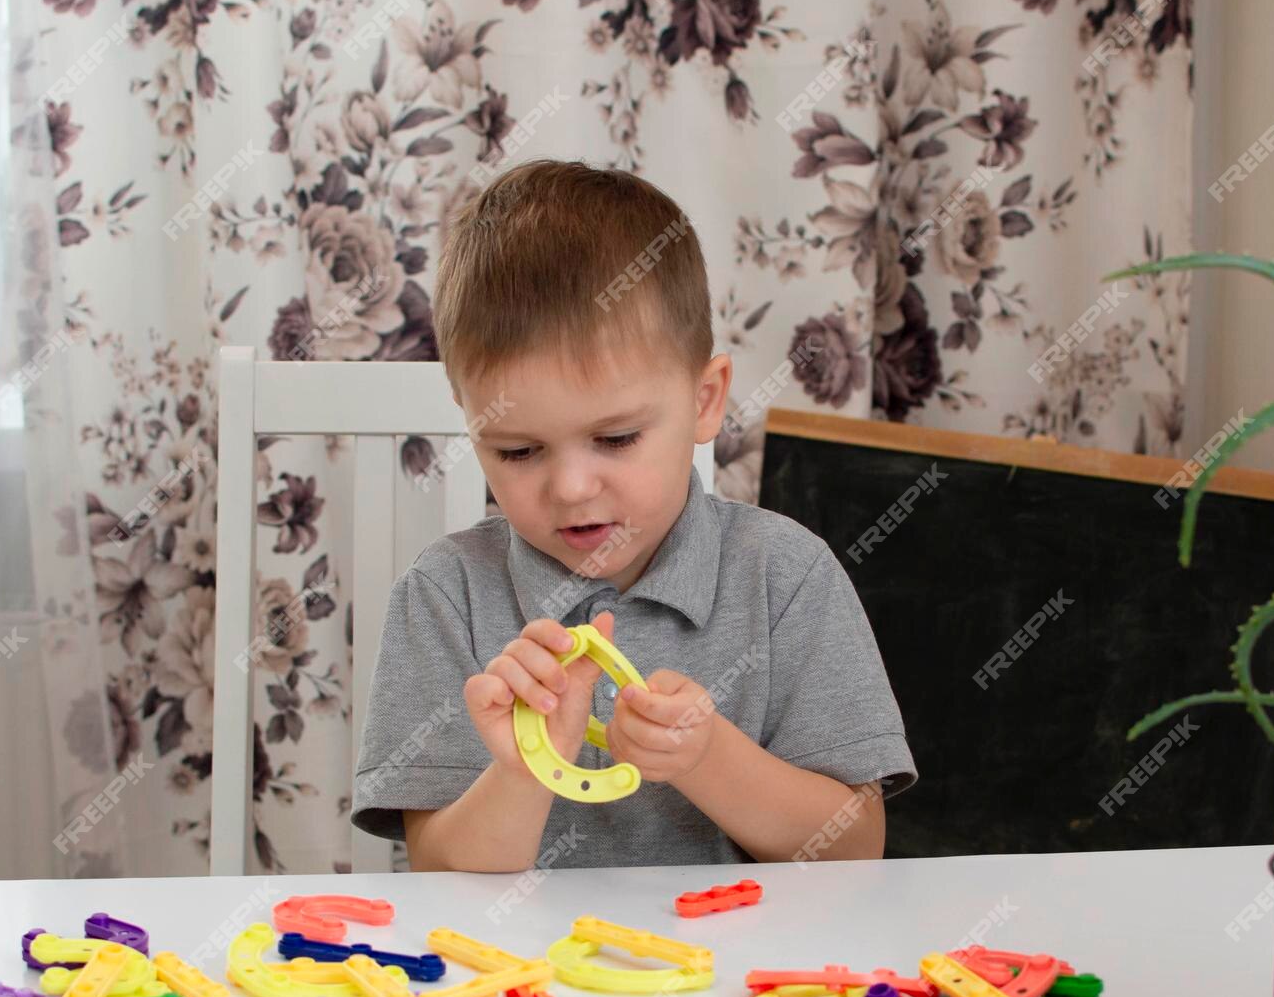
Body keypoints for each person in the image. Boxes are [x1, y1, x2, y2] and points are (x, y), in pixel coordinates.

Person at [352, 160, 914, 871]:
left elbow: (855, 848)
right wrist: (526, 767)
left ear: (706, 401)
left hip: (733, 974)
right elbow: (440, 872)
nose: (572, 488)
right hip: (524, 976)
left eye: (616, 439)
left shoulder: (785, 577)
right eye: (519, 450)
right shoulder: (446, 593)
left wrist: (707, 755)